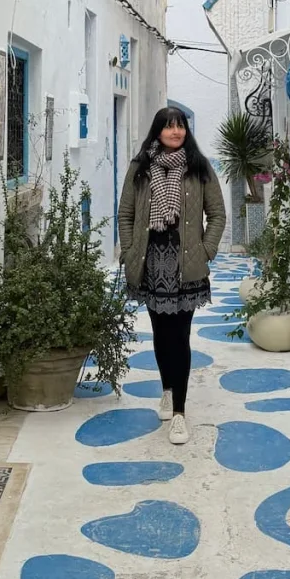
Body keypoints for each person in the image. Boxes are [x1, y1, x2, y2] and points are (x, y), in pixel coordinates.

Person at [118, 107, 226, 445]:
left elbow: (218, 214)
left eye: (180, 126)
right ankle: (167, 389)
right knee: (161, 336)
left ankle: (179, 412)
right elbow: (126, 213)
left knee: (180, 336)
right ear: (158, 131)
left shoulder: (199, 166)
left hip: (187, 265)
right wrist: (129, 250)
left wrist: (205, 250)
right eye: (169, 127)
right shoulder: (140, 168)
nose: (176, 132)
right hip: (152, 263)